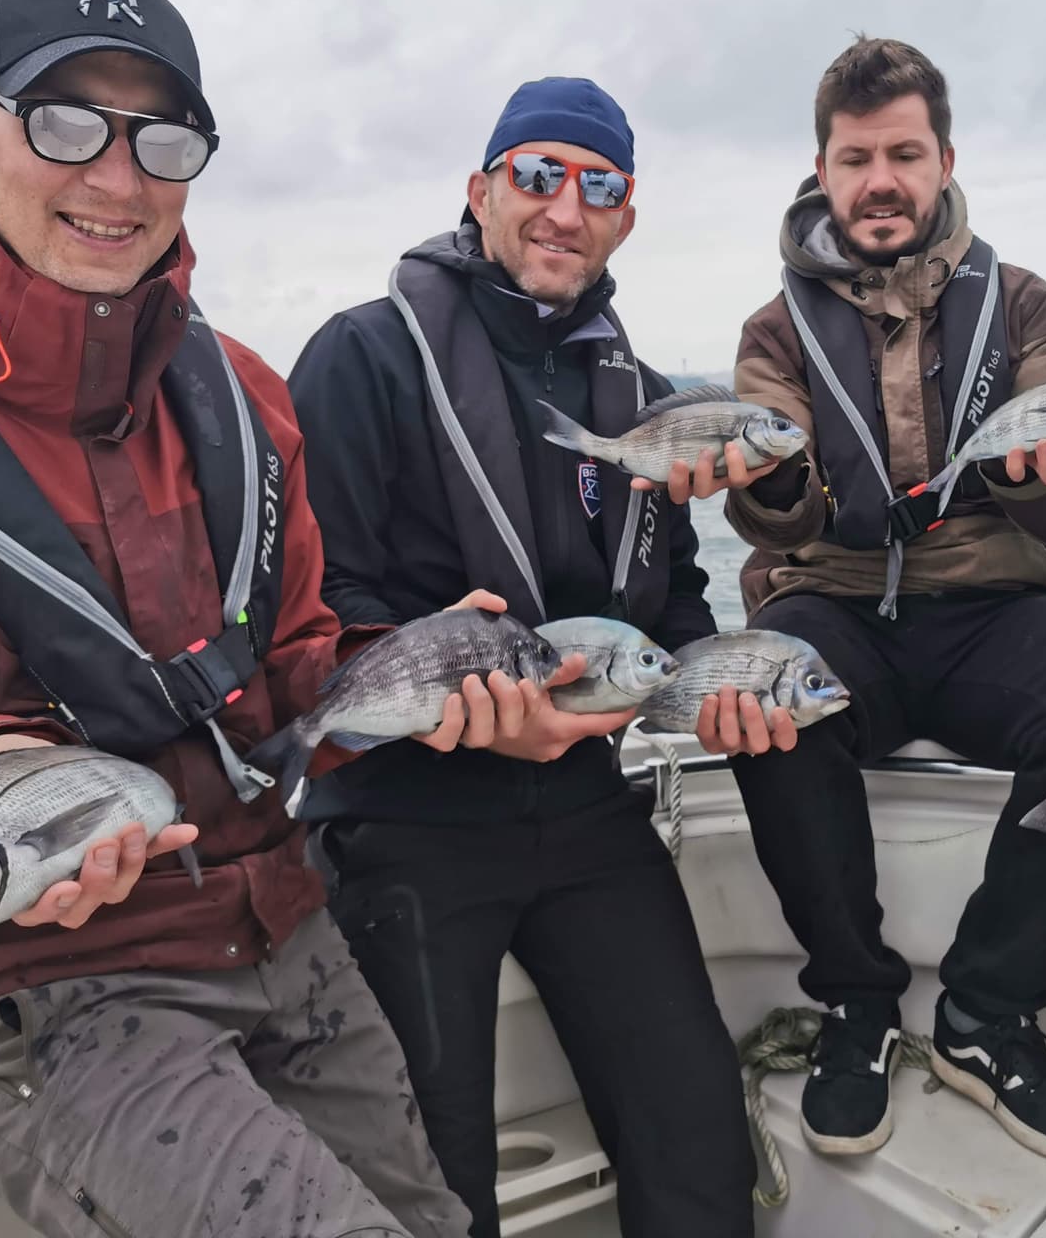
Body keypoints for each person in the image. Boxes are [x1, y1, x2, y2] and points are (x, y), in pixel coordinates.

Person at [0, 0, 472, 1238]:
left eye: (165, 138)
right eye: (67, 122)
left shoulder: (243, 395)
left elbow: (290, 657)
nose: (119, 178)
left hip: (273, 919)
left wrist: (425, 682)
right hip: (14, 976)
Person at [287, 77, 759, 1238]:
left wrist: (720, 688)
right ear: (482, 190)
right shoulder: (359, 357)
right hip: (407, 819)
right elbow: (304, 605)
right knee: (431, 1181)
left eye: (600, 187)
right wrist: (432, 662)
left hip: (588, 809)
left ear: (626, 219)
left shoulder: (640, 404)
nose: (565, 207)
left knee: (700, 1138)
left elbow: (675, 601)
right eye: (538, 175)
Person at [721, 36, 1046, 1163]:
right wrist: (768, 481)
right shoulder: (776, 332)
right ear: (822, 169)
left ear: (944, 157)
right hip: (840, 605)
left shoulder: (1027, 304)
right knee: (768, 686)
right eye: (856, 157)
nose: (880, 180)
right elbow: (784, 512)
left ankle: (985, 1014)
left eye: (902, 153)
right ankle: (855, 1003)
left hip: (989, 609)